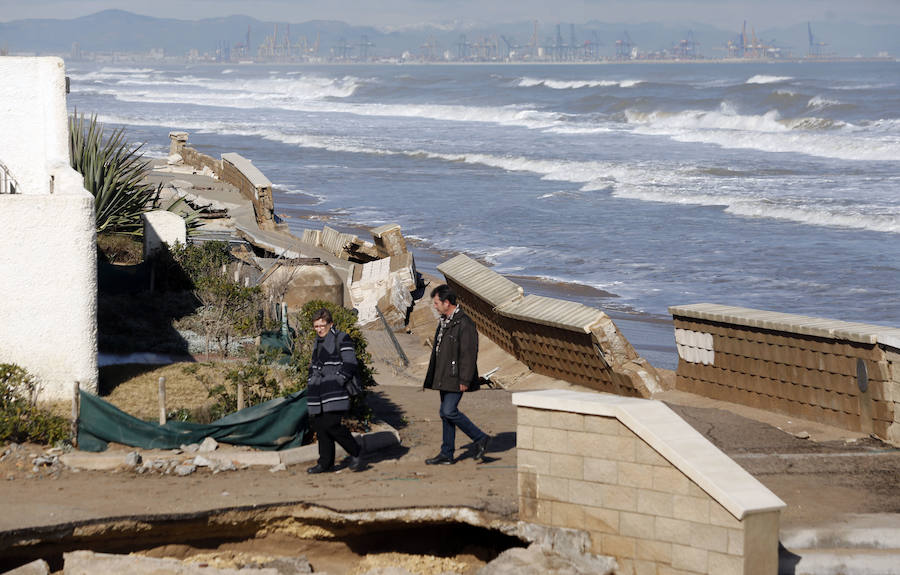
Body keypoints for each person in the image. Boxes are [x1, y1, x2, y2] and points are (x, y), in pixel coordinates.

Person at [422, 284, 490, 465]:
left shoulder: (464, 323)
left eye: (436, 303)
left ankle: (480, 437)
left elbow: (469, 353)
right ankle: (447, 453)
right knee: (445, 414)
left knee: (448, 410)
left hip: (456, 377)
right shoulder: (445, 320)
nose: (434, 306)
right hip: (443, 375)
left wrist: (465, 379)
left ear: (446, 302)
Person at [306, 308, 364, 474]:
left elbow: (350, 363)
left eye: (322, 325)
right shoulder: (317, 342)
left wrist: (338, 380)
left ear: (330, 324)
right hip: (318, 391)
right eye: (316, 326)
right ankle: (325, 463)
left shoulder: (342, 338)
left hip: (336, 391)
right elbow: (314, 364)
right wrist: (311, 379)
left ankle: (355, 451)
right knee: (321, 427)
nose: (319, 329)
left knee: (331, 424)